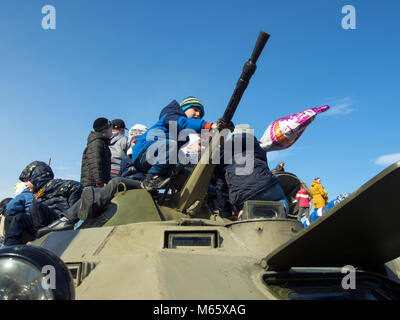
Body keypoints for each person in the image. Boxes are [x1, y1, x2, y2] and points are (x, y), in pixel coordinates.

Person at [131, 97, 232, 191]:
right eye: (195, 110)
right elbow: (183, 123)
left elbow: (204, 138)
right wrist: (211, 126)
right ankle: (151, 179)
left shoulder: (186, 134)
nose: (198, 115)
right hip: (145, 152)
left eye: (200, 114)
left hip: (161, 157)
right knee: (171, 145)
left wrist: (221, 133)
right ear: (184, 109)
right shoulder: (170, 114)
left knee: (187, 168)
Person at [215, 124, 289, 220]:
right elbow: (264, 169)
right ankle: (281, 211)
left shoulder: (222, 155)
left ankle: (244, 213)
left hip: (242, 197)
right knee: (282, 201)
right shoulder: (259, 149)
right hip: (268, 187)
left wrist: (226, 214)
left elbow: (220, 187)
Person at [3, 161, 82, 246]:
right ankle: (8, 249)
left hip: (59, 222)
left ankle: (42, 240)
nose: (25, 184)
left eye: (27, 180)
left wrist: (71, 217)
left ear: (36, 177)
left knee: (35, 206)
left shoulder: (59, 185)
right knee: (12, 218)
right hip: (42, 227)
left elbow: (76, 188)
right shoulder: (37, 194)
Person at [37, 176, 142, 236]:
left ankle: (67, 220)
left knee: (116, 182)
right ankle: (86, 210)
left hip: (141, 183)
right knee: (95, 193)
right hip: (131, 183)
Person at [81, 117, 113, 188]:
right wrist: (100, 183)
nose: (112, 131)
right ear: (105, 130)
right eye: (111, 129)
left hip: (96, 184)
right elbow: (95, 163)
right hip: (93, 185)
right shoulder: (97, 143)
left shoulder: (102, 142)